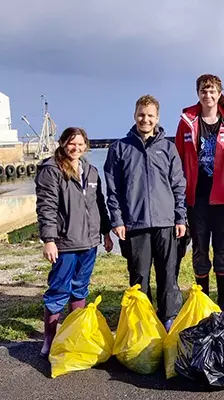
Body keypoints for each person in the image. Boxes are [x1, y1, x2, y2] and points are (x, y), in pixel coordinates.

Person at [104, 94, 186, 331]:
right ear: (134, 115)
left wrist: (180, 217)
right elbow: (113, 189)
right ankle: (143, 319)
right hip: (134, 223)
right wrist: (117, 220)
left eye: (150, 115)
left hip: (165, 222)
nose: (145, 119)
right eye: (141, 114)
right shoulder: (120, 148)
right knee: (139, 274)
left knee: (168, 273)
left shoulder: (168, 148)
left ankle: (168, 317)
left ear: (157, 118)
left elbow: (178, 184)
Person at [175, 74, 224, 314]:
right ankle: (204, 301)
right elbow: (177, 156)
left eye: (212, 91)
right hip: (196, 198)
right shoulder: (188, 121)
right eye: (203, 91)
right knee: (199, 250)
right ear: (198, 94)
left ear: (219, 93)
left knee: (222, 250)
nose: (208, 96)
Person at [35, 127, 113, 357]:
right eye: (71, 143)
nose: (76, 148)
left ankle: (75, 334)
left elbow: (100, 205)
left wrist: (106, 232)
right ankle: (49, 338)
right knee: (59, 290)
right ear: (61, 143)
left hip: (89, 243)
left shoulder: (90, 170)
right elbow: (46, 207)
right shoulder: (51, 170)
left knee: (80, 289)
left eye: (80, 144)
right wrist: (49, 239)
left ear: (86, 146)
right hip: (65, 243)